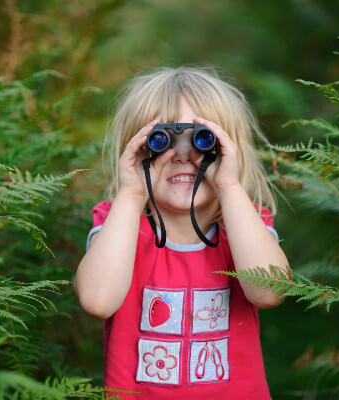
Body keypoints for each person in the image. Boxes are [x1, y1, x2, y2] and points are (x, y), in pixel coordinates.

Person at [74, 67, 291, 399]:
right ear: (136, 151)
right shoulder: (120, 225)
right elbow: (97, 300)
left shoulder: (245, 228)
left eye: (203, 139)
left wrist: (229, 185)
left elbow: (270, 291)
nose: (183, 155)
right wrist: (132, 194)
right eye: (161, 141)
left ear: (229, 151)